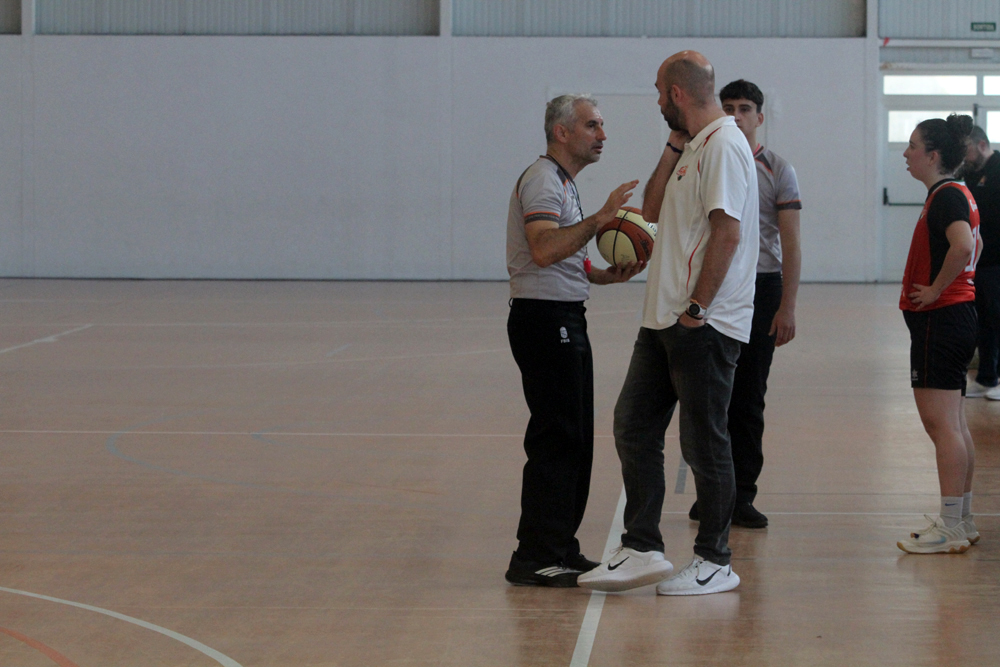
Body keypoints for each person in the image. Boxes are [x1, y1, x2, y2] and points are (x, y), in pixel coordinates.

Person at [578, 51, 758, 595]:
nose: (657, 100)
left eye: (660, 92)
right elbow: (650, 214)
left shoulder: (724, 145)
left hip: (702, 323)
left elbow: (727, 232)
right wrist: (673, 146)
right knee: (633, 425)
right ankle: (642, 547)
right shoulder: (695, 145)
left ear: (677, 93)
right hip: (662, 320)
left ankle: (715, 560)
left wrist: (698, 308)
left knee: (704, 443)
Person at [505, 94, 643, 587]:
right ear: (561, 132)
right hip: (545, 320)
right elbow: (543, 250)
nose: (602, 135)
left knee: (576, 438)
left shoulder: (563, 182)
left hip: (563, 315)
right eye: (592, 125)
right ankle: (536, 556)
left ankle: (560, 546)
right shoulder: (544, 179)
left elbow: (564, 256)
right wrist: (600, 220)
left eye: (601, 125)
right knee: (558, 438)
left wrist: (603, 275)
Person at [686, 79, 802, 529]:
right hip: (715, 284)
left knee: (749, 397)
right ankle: (711, 493)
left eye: (745, 108)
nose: (736, 114)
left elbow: (791, 244)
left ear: (760, 117)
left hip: (762, 286)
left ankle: (742, 496)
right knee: (710, 396)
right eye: (728, 106)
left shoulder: (778, 169)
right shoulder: (707, 156)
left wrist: (787, 306)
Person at [897, 114, 982, 554]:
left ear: (933, 156)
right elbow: (976, 245)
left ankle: (950, 526)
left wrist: (935, 289)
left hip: (942, 320)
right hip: (956, 317)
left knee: (942, 426)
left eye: (912, 146)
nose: (906, 153)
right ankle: (961, 519)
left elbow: (964, 245)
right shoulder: (956, 193)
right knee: (955, 425)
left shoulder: (947, 196)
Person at [962, 125, 1000, 400]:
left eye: (967, 149)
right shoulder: (970, 173)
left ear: (982, 145)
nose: (964, 155)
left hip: (998, 260)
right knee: (982, 322)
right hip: (979, 260)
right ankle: (987, 378)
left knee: (997, 320)